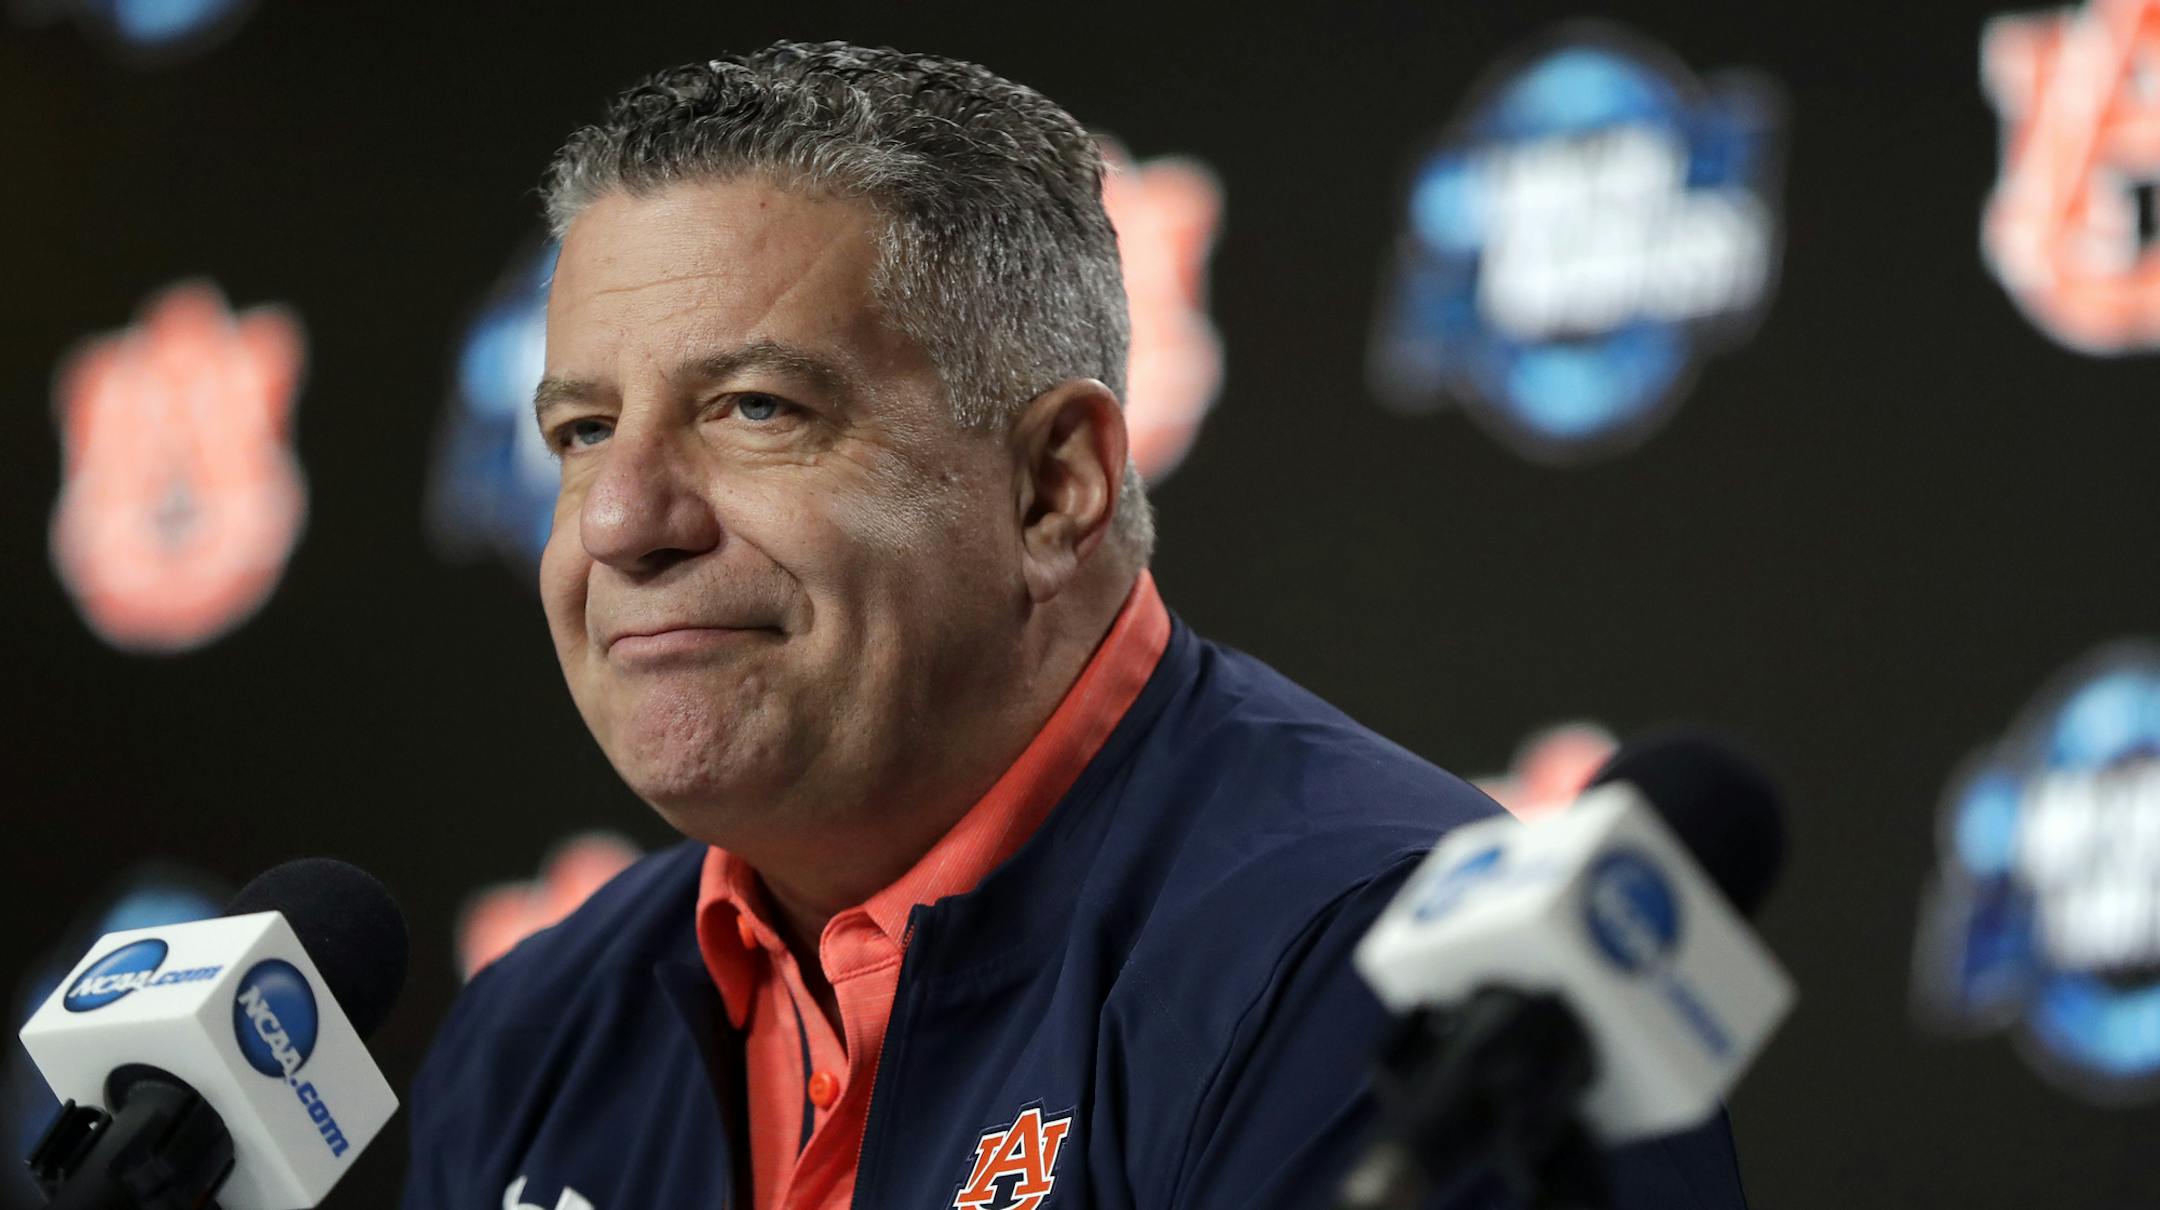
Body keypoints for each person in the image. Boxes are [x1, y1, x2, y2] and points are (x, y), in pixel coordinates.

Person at [400, 41, 1752, 1210]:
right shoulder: (535, 1034)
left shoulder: (1385, 981)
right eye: (581, 432)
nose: (624, 521)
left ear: (1056, 486)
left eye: (756, 408)